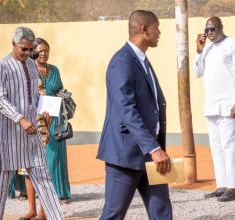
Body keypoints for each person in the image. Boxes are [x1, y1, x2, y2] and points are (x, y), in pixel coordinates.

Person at [96, 10, 172, 220]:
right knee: (113, 214)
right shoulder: (122, 61)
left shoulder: (141, 60)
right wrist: (154, 148)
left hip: (151, 154)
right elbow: (127, 109)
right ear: (144, 29)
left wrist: (155, 147)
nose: (160, 32)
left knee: (162, 212)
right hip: (125, 154)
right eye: (157, 27)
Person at [0, 26, 63, 220]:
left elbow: (35, 96)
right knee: (2, 182)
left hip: (32, 132)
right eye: (23, 49)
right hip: (8, 134)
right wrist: (20, 119)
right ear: (13, 44)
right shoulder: (2, 67)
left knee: (43, 177)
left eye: (30, 49)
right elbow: (0, 99)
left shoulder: (31, 65)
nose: (27, 53)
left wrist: (43, 114)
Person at [20, 37, 71, 220]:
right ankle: (32, 209)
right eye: (40, 50)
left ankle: (44, 211)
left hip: (54, 120)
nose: (44, 54)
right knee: (29, 166)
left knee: (49, 165)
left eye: (46, 51)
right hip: (33, 122)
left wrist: (64, 96)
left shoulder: (54, 69)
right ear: (33, 51)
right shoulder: (26, 70)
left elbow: (59, 89)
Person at [194, 16, 235, 202]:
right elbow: (198, 72)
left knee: (230, 147)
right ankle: (221, 185)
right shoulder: (208, 49)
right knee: (216, 148)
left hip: (229, 105)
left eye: (212, 29)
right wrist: (199, 51)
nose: (209, 33)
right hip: (211, 106)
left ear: (221, 27)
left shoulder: (233, 45)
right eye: (207, 30)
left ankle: (232, 187)